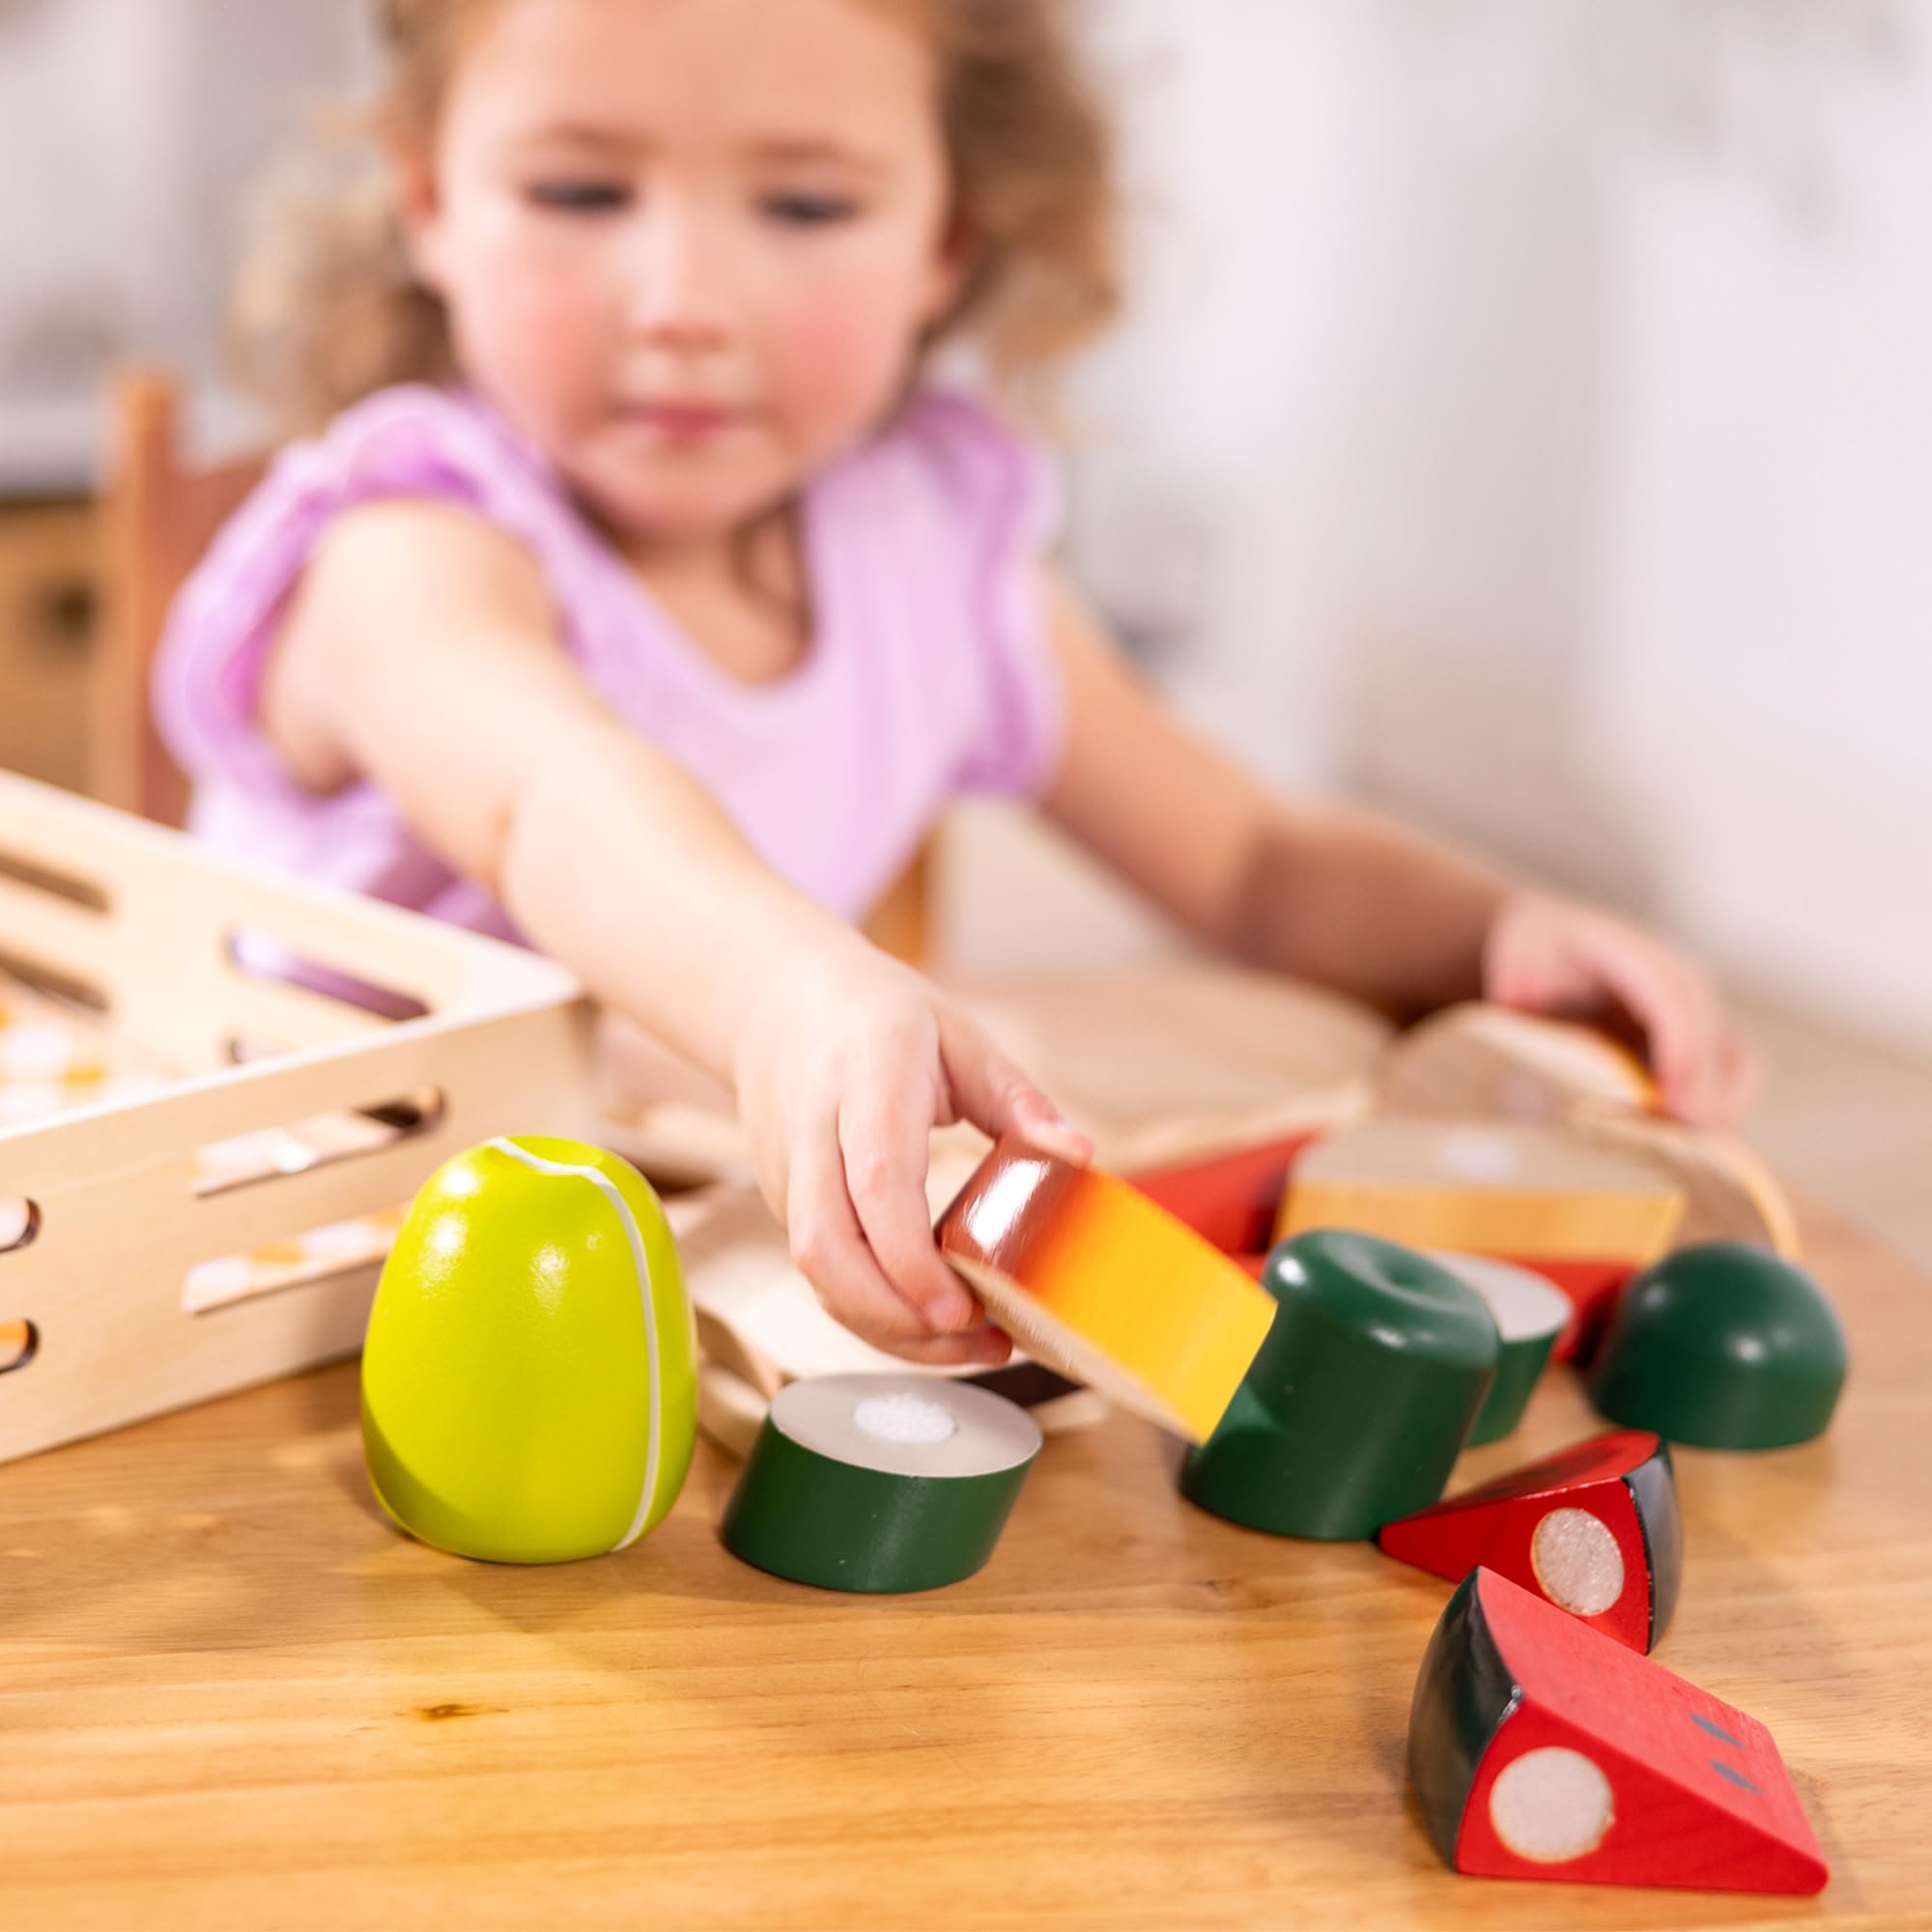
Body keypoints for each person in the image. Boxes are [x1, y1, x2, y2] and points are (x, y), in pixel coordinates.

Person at [156, 0, 1758, 1372]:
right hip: (296, 1294)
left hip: (665, 1279)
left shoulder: (929, 548)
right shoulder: (403, 549)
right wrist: (786, 995)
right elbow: (550, 799)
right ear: (429, 198)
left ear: (948, 240)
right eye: (580, 189)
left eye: (805, 206)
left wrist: (1494, 930)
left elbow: (1252, 862)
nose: (684, 303)